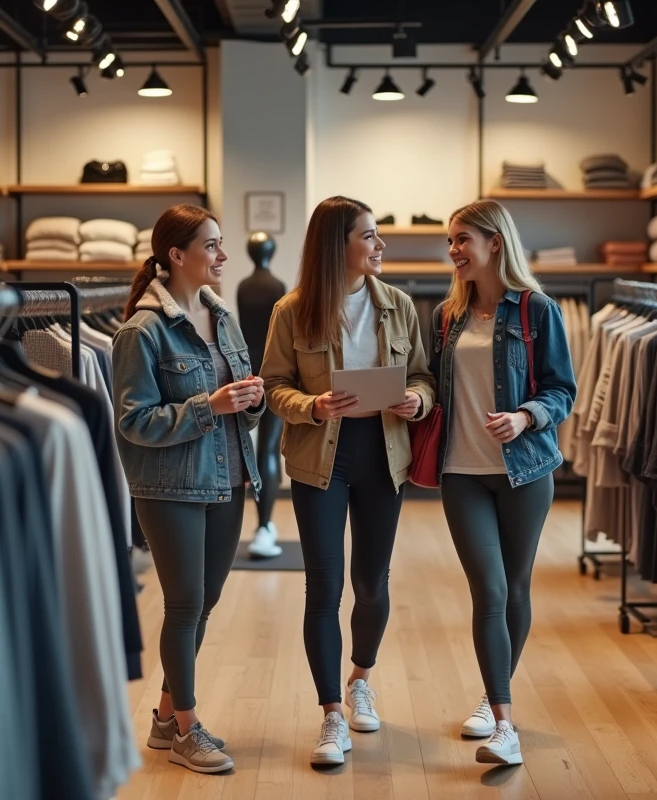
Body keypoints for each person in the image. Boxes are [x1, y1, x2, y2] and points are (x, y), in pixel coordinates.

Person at [261, 195, 435, 767]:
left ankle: (361, 676)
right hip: (320, 457)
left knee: (373, 582)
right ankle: (332, 713)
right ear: (338, 246)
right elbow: (274, 386)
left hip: (384, 454)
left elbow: (423, 376)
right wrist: (313, 404)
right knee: (323, 587)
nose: (380, 245)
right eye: (369, 236)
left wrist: (418, 399)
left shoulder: (401, 305)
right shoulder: (292, 311)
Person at [110, 204, 266, 775]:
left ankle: (165, 718)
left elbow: (239, 401)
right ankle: (186, 729)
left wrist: (250, 399)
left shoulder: (222, 318)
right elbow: (133, 421)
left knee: (206, 602)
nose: (223, 256)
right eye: (212, 246)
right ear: (176, 255)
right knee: (185, 604)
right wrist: (212, 405)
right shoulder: (141, 331)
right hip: (170, 485)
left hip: (227, 477)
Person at [429, 199, 576, 766]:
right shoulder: (447, 316)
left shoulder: (537, 311)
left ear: (495, 242)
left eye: (463, 239)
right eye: (450, 240)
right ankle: (505, 724)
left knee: (515, 587)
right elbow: (436, 389)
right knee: (488, 590)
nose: (454, 250)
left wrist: (525, 416)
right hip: (461, 471)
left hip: (525, 471)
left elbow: (563, 389)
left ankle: (491, 703)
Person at [237, 232, 288, 558]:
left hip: (247, 369)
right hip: (273, 370)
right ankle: (264, 526)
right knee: (267, 450)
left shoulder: (243, 286)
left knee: (259, 449)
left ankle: (264, 526)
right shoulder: (277, 286)